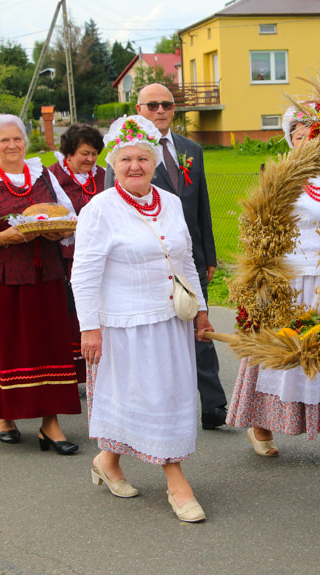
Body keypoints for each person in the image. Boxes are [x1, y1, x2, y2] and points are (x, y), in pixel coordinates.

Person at [73, 115, 213, 522]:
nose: (135, 166)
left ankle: (107, 461)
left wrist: (201, 311)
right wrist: (89, 328)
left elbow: (186, 260)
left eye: (143, 158)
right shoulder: (100, 210)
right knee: (149, 396)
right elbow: (83, 274)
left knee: (159, 396)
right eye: (125, 160)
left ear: (154, 162)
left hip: (170, 319)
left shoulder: (169, 202)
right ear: (112, 165)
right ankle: (176, 481)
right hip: (123, 324)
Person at [225, 106, 320, 469]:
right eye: (301, 136)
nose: (309, 143)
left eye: (316, 136)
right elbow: (261, 230)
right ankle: (261, 426)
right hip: (288, 280)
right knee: (282, 353)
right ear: (291, 141)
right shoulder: (280, 180)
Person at [0, 113, 81, 452]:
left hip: (44, 277)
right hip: (0, 282)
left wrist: (63, 229)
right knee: (6, 350)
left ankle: (50, 423)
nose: (12, 145)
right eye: (4, 140)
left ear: (26, 141)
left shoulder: (43, 176)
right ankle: (4, 414)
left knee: (47, 347)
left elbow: (69, 216)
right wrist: (2, 236)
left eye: (17, 138)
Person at [105, 83, 227, 430]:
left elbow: (201, 205)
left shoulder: (191, 149)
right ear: (139, 109)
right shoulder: (124, 153)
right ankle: (168, 408)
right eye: (152, 105)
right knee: (166, 337)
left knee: (199, 325)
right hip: (147, 260)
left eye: (167, 105)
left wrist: (209, 256)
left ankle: (214, 405)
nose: (160, 111)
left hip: (188, 254)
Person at [48, 123, 106, 384]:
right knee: (69, 314)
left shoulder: (106, 175)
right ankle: (69, 373)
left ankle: (97, 370)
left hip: (101, 256)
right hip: (64, 257)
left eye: (94, 153)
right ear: (69, 153)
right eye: (85, 153)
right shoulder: (50, 177)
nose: (91, 159)